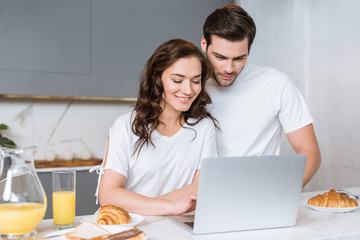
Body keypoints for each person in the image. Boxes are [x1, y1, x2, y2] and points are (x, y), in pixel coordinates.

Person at [200, 4, 321, 187]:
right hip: (198, 195)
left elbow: (309, 151)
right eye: (220, 57)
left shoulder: (276, 84)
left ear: (249, 48)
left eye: (239, 58)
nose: (229, 68)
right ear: (204, 44)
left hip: (259, 193)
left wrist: (281, 193)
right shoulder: (189, 88)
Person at [95, 39, 218, 215]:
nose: (188, 90)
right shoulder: (125, 125)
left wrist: (137, 205)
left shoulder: (204, 127)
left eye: (196, 81)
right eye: (177, 80)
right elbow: (108, 195)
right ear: (157, 79)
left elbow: (201, 187)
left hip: (176, 229)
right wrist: (171, 207)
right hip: (130, 228)